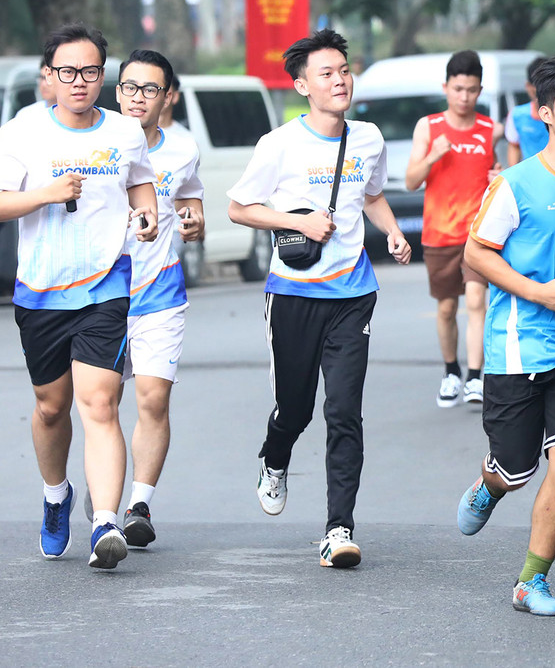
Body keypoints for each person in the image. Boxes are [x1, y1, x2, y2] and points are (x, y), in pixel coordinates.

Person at [228, 29, 412, 568]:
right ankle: (276, 456)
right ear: (302, 84)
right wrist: (297, 221)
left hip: (353, 293)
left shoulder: (369, 138)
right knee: (295, 408)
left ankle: (339, 528)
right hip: (292, 294)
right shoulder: (279, 144)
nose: (340, 80)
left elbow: (371, 195)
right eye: (326, 73)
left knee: (344, 412)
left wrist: (394, 232)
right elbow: (240, 207)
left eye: (344, 70)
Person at [453, 55, 555, 616]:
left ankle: (531, 581)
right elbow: (475, 252)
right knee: (517, 469)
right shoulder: (516, 184)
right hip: (518, 346)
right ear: (544, 113)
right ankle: (491, 483)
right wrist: (538, 292)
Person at [0, 23, 158, 569]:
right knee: (51, 408)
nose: (80, 82)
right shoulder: (23, 132)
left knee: (100, 402)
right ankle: (55, 496)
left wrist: (148, 215)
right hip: (41, 291)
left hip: (104, 285)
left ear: (102, 76)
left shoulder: (124, 132)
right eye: (68, 72)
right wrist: (46, 193)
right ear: (49, 77)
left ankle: (105, 522)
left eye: (91, 72)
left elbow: (140, 182)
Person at [113, 49, 205, 547]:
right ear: (118, 90)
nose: (137, 98)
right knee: (102, 403)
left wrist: (193, 217)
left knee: (153, 397)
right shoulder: (98, 143)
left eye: (150, 89)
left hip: (160, 291)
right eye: (129, 87)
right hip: (99, 295)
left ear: (166, 96)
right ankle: (105, 484)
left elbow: (190, 194)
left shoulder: (183, 148)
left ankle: (138, 504)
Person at [404, 51, 497, 407]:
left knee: (477, 302)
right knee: (446, 308)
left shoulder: (489, 129)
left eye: (471, 90)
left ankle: (476, 377)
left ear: (480, 90)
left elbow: (497, 173)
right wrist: (432, 156)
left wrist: (498, 175)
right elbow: (412, 181)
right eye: (458, 89)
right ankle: (451, 371)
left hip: (477, 233)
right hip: (439, 233)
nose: (464, 97)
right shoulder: (428, 127)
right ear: (446, 87)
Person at [505, 56, 549, 165]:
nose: (541, 92)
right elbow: (514, 147)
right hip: (529, 178)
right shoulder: (517, 115)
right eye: (537, 87)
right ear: (528, 86)